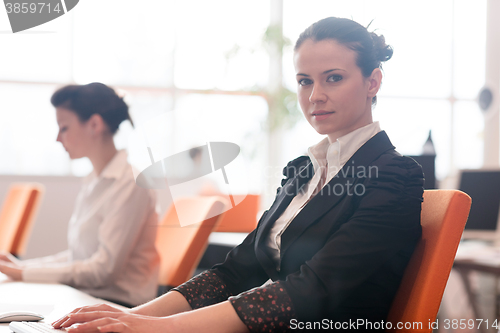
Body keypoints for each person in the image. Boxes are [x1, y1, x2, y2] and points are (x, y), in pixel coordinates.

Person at [51, 17, 423, 332]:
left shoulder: (395, 174)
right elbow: (235, 271)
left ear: (372, 82)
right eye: (305, 80)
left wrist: (156, 328)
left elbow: (313, 289)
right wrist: (130, 317)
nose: (314, 96)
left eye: (334, 78)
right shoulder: (303, 170)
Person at [0, 82, 160, 308]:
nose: (58, 138)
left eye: (63, 127)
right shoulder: (94, 182)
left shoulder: (131, 184)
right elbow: (79, 258)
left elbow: (102, 271)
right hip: (88, 297)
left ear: (94, 124)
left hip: (116, 306)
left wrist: (24, 273)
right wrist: (23, 268)